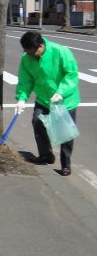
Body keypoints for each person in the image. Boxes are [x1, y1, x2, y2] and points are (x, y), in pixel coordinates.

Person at [15, 31, 80, 176]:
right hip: (43, 98)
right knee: (37, 121)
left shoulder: (61, 52)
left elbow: (72, 74)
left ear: (40, 46)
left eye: (31, 52)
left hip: (65, 100)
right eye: (26, 51)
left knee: (65, 133)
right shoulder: (27, 58)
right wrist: (21, 98)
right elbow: (26, 80)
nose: (28, 55)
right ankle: (46, 155)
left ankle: (66, 164)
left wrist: (61, 92)